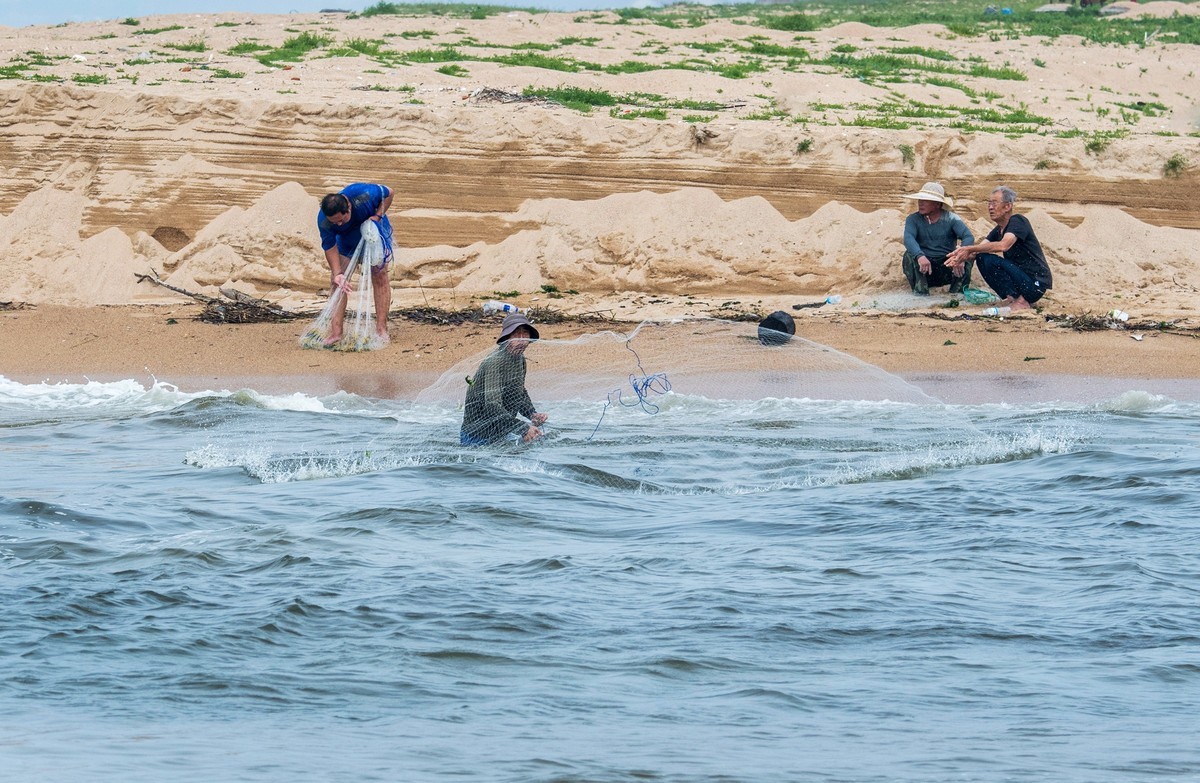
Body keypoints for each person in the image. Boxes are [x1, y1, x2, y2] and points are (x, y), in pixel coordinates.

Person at [944, 186, 1052, 311]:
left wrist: (969, 248)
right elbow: (977, 251)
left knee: (989, 259)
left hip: (1035, 283)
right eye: (989, 203)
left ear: (1007, 206)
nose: (990, 207)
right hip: (1022, 280)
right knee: (982, 257)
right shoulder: (998, 230)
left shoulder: (1018, 221)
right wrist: (960, 257)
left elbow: (1004, 245)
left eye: (994, 203)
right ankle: (1012, 298)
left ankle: (1022, 302)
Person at [316, 183, 394, 344]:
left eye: (341, 220)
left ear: (349, 208)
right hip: (347, 241)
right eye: (334, 222)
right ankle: (336, 332)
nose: (338, 224)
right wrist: (338, 274)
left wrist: (378, 215)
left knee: (379, 276)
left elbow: (390, 193)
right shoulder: (324, 221)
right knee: (338, 283)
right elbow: (330, 247)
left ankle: (381, 329)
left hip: (373, 234)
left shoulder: (363, 194)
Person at [460, 313, 548, 446]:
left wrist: (532, 414)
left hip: (501, 431)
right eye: (517, 335)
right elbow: (492, 406)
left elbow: (519, 392)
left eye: (525, 334)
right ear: (507, 337)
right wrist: (524, 429)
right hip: (477, 434)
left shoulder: (520, 360)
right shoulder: (495, 362)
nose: (522, 340)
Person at [901, 182, 975, 295]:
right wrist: (920, 256)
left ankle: (957, 293)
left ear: (937, 204)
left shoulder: (951, 219)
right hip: (925, 268)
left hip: (947, 266)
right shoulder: (913, 219)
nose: (920, 203)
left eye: (925, 200)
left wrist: (960, 256)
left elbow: (968, 236)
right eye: (920, 200)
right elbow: (908, 238)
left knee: (969, 254)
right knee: (909, 255)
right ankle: (920, 292)